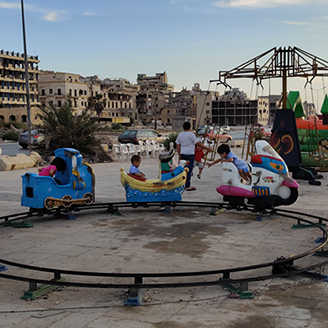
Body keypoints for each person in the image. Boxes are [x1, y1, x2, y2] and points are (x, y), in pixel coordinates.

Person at [176, 121, 213, 191]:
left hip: (183, 154)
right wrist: (207, 148)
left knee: (182, 170)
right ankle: (187, 186)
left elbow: (178, 145)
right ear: (190, 127)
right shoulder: (191, 135)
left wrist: (179, 154)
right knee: (188, 170)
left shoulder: (180, 135)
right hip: (190, 154)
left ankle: (181, 184)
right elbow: (198, 143)